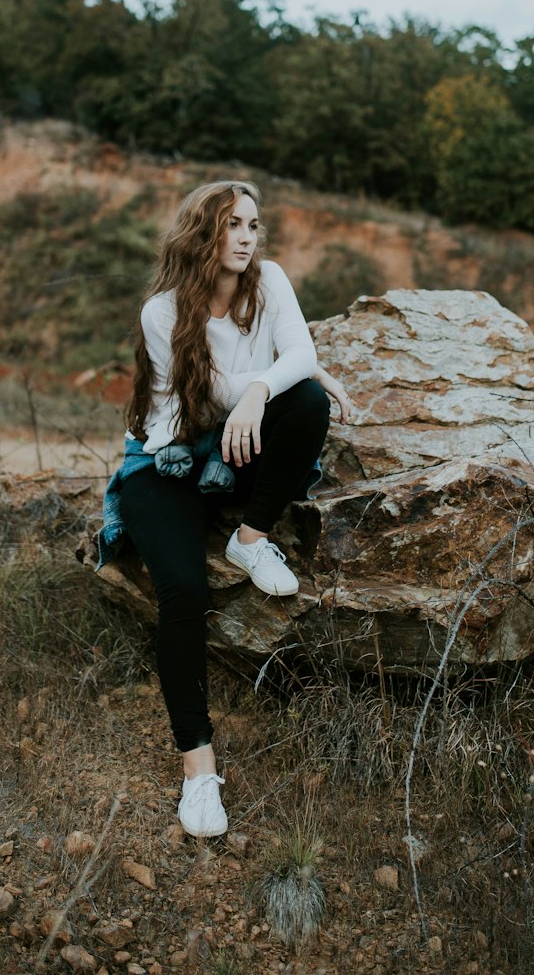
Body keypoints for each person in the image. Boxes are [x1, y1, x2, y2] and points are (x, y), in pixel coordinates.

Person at [102, 179, 351, 838]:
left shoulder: (269, 282)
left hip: (232, 450)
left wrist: (283, 379)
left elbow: (298, 355)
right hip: (169, 459)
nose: (247, 238)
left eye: (254, 225)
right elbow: (206, 399)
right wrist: (287, 374)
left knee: (307, 404)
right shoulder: (163, 312)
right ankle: (199, 773)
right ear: (203, 233)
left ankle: (250, 536)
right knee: (182, 592)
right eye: (234, 225)